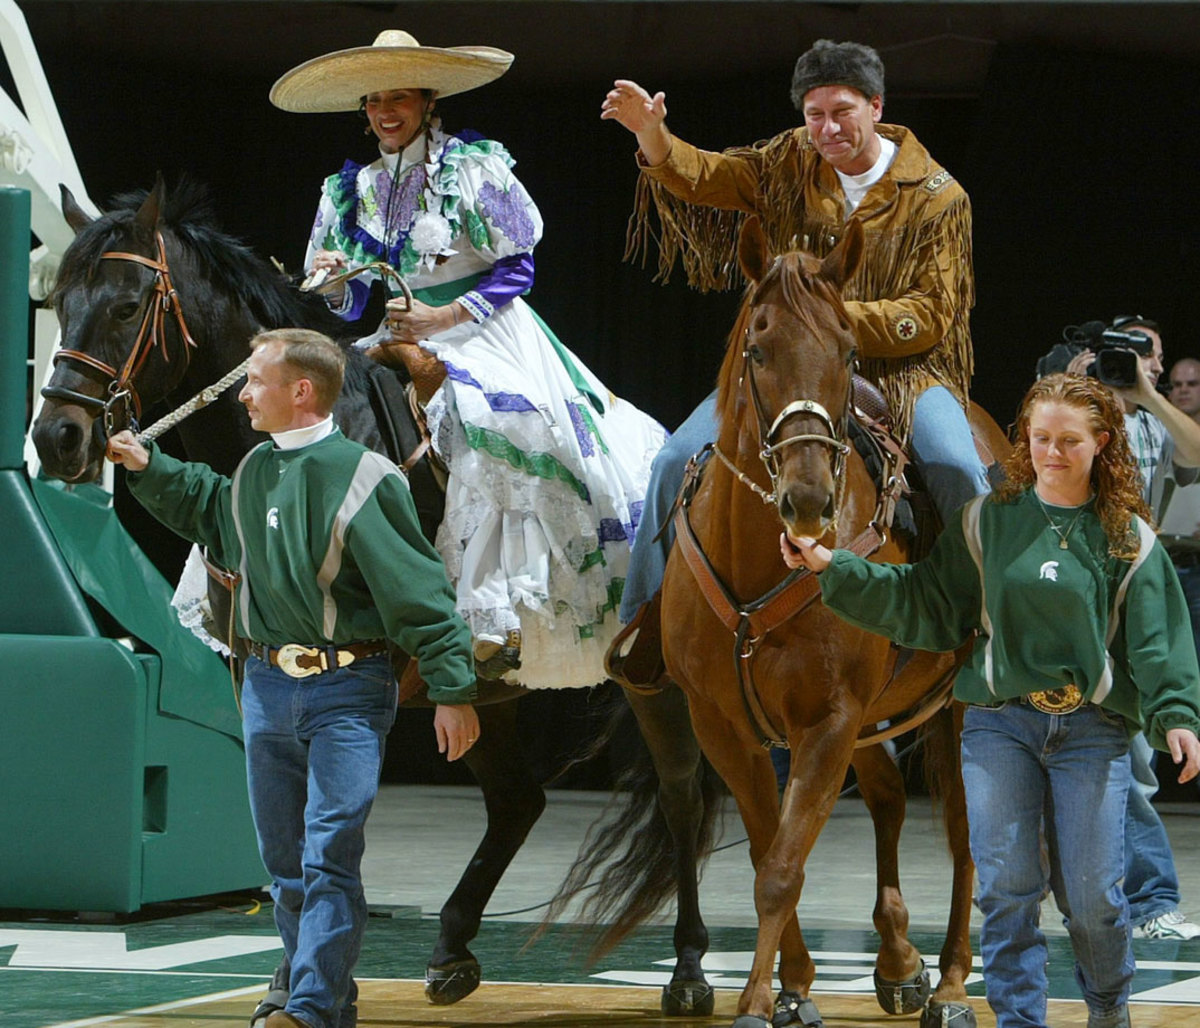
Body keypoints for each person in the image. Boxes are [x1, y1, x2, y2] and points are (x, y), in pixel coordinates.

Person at [780, 373, 1200, 1028]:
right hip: (1000, 726)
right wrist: (833, 566)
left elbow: (1159, 643)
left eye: (1068, 440)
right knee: (1006, 893)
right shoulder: (987, 522)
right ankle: (1018, 1021)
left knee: (1092, 901)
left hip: (1091, 732)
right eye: (1038, 439)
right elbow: (924, 601)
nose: (1050, 453)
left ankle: (1109, 1009)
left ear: (1103, 443)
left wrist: (1177, 717)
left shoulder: (1127, 539)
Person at [106, 328, 479, 1028]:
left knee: (329, 853)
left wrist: (453, 690)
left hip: (347, 692)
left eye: (255, 380)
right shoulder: (254, 471)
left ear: (300, 390)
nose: (243, 392)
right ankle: (326, 1003)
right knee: (286, 866)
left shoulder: (365, 477)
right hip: (266, 690)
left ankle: (305, 1007)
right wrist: (145, 464)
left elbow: (419, 593)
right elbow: (209, 506)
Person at [270, 30, 665, 688]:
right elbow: (343, 306)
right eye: (373, 100)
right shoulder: (350, 189)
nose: (385, 110)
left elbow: (519, 267)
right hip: (396, 332)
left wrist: (444, 318)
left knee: (502, 424)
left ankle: (498, 610)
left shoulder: (470, 165)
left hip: (483, 330)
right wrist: (336, 280)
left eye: (398, 96)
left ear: (427, 100)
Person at [600, 38, 988, 652]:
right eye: (815, 115)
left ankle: (986, 626)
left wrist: (823, 320)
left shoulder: (939, 196)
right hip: (789, 366)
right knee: (674, 460)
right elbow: (707, 176)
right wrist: (652, 134)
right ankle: (644, 622)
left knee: (960, 469)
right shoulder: (787, 161)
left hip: (904, 372)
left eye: (841, 112)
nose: (827, 128)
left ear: (876, 106)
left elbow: (932, 312)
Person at [1058, 317, 1200, 941]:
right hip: (1057, 589)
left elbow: (1196, 451)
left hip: (1128, 594)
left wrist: (1144, 394)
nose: (1141, 362)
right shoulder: (1072, 405)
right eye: (1127, 352)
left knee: (1134, 758)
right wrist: (1072, 381)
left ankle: (1148, 900)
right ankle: (1098, 903)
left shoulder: (1152, 422)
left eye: (1152, 355)